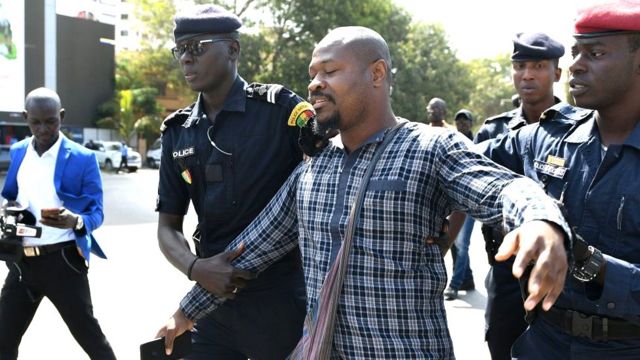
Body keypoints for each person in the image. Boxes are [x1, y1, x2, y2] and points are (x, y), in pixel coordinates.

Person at [158, 26, 573, 359]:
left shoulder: (430, 148)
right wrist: (183, 314)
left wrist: (540, 219)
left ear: (376, 74)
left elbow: (503, 187)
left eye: (329, 71)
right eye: (312, 75)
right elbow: (249, 250)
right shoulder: (313, 169)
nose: (315, 84)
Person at [481, 3, 640, 358]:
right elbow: (459, 160)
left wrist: (586, 260)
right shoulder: (545, 137)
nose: (577, 65)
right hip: (542, 342)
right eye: (575, 52)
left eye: (596, 53)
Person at [155, 4, 309, 359]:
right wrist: (196, 268)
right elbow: (167, 227)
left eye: (198, 47)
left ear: (233, 49)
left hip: (280, 301)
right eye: (181, 50)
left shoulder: (280, 111)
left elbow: (336, 169)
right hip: (212, 305)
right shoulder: (178, 133)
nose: (186, 60)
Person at [469, 31, 566, 360]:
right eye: (520, 65)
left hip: (560, 269)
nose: (527, 74)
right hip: (505, 268)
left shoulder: (579, 129)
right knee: (501, 344)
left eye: (538, 65)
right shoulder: (493, 132)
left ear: (557, 73)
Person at [0, 87, 115, 359]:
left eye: (50, 121)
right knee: (3, 341)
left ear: (61, 116)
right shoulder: (18, 152)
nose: (42, 129)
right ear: (26, 117)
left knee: (91, 339)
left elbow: (96, 212)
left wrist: (74, 221)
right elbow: (10, 196)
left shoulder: (83, 158)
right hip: (22, 264)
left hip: (62, 263)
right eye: (35, 122)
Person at [444, 109, 477, 301]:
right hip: (453, 201)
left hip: (469, 202)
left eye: (465, 121)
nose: (461, 125)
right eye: (459, 121)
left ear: (471, 124)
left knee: (462, 245)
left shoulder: (477, 144)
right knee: (456, 244)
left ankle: (454, 285)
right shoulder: (451, 141)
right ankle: (468, 279)